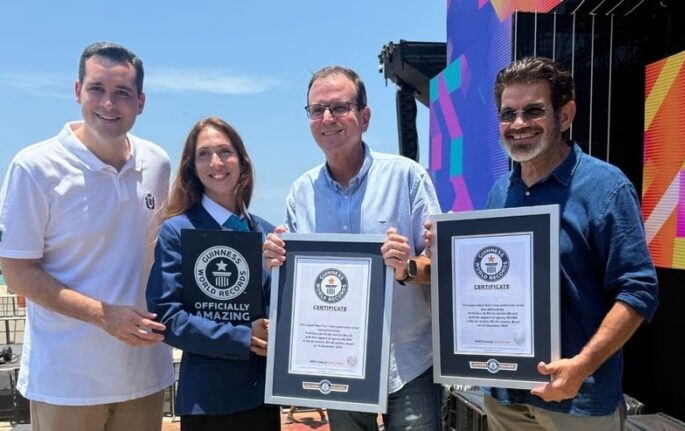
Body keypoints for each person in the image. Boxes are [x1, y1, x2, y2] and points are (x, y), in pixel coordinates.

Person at [425, 57, 658, 430]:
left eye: (533, 111)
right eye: (508, 114)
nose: (518, 124)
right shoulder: (500, 192)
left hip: (577, 401)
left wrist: (581, 366)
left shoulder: (606, 188)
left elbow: (639, 290)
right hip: (504, 398)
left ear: (565, 116)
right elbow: (491, 282)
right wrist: (449, 255)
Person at [0, 42, 174, 431]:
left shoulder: (158, 163)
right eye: (97, 89)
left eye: (122, 92)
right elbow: (17, 272)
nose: (108, 103)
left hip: (145, 374)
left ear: (140, 102)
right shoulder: (34, 167)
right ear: (78, 91)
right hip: (66, 384)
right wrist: (102, 315)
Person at [263, 65, 442, 430]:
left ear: (365, 116)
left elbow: (441, 267)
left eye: (340, 107)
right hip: (338, 365)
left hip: (408, 363)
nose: (327, 118)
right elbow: (299, 289)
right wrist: (277, 261)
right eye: (317, 110)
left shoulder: (406, 177)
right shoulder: (301, 193)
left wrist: (406, 267)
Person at [146, 117, 280, 431]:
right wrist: (242, 337)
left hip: (263, 396)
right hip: (208, 399)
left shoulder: (268, 234)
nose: (216, 162)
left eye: (225, 151)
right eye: (204, 154)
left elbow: (284, 308)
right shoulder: (177, 232)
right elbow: (166, 317)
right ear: (192, 167)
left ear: (242, 162)